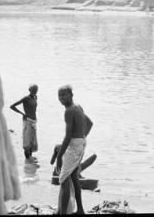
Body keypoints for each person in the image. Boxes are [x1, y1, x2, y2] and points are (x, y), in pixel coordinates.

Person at [56, 85, 93, 214]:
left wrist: (59, 156)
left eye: (64, 95)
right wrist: (81, 139)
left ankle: (63, 213)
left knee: (64, 178)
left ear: (71, 95)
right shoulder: (78, 107)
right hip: (81, 143)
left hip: (75, 146)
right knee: (73, 176)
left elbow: (67, 137)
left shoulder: (69, 111)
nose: (61, 98)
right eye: (59, 95)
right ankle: (80, 209)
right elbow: (90, 123)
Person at [10, 84, 39, 162]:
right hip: (27, 121)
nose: (35, 91)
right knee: (27, 140)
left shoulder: (36, 97)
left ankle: (30, 157)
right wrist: (22, 113)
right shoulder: (26, 98)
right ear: (29, 90)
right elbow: (12, 106)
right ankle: (28, 158)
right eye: (33, 89)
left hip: (34, 121)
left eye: (36, 89)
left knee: (32, 140)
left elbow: (34, 109)